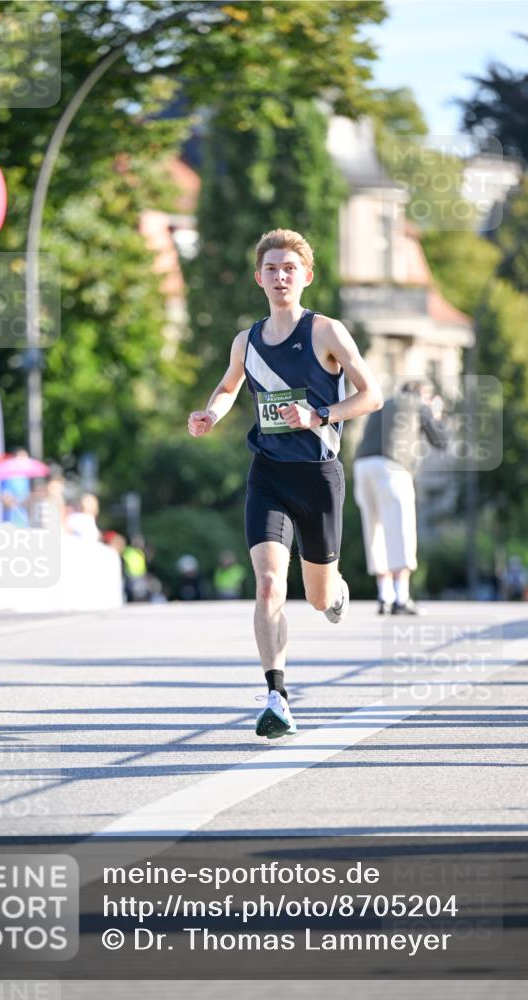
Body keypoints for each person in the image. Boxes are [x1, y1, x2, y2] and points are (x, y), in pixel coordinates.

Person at [188, 228, 383, 739]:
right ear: (259, 278)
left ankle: (335, 591)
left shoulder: (327, 332)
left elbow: (373, 396)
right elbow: (229, 386)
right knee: (271, 582)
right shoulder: (246, 341)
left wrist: (319, 414)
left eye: (289, 269)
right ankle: (277, 696)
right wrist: (210, 414)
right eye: (271, 269)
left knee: (317, 597)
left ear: (306, 277)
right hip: (268, 474)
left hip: (319, 476)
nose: (280, 277)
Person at [353, 381, 448, 615]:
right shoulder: (419, 404)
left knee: (374, 529)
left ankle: (384, 596)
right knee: (400, 528)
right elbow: (440, 440)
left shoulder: (384, 403)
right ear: (422, 394)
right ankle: (401, 597)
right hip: (392, 466)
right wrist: (435, 414)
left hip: (362, 465)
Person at [0, 447, 30, 526]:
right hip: (10, 519)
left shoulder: (24, 477)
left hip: (23, 519)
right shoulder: (7, 476)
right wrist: (15, 502)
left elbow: (27, 497)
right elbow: (4, 498)